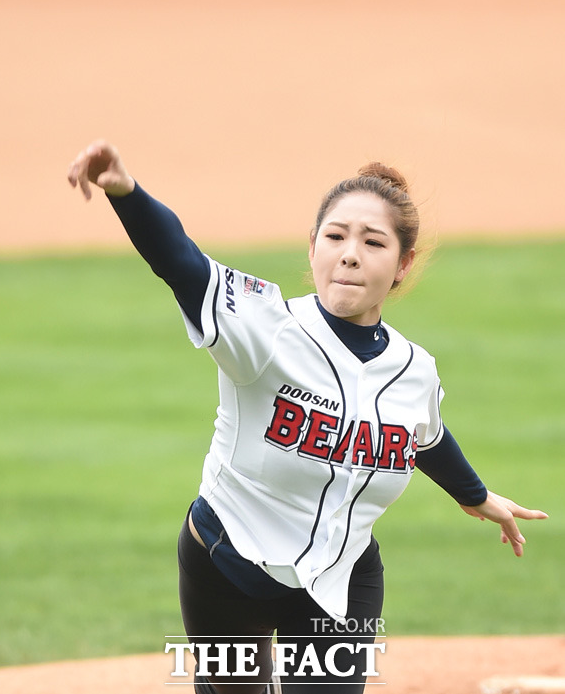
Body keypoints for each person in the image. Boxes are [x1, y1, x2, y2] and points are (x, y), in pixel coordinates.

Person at [68, 141, 548, 694]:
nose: (349, 254)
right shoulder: (265, 328)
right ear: (313, 247)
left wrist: (475, 496)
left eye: (373, 242)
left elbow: (426, 436)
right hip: (228, 569)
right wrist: (127, 194)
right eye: (335, 236)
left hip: (343, 579)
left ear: (402, 264)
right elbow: (180, 261)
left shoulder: (414, 369)